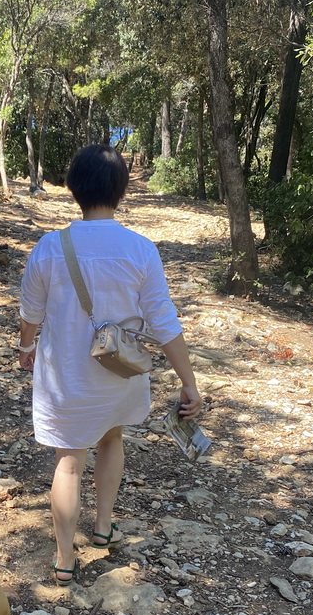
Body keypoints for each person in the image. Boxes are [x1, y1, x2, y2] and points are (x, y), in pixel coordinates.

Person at [18, 144, 201, 586]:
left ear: (74, 188)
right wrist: (189, 382)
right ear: (121, 190)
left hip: (67, 374)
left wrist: (26, 347)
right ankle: (102, 528)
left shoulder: (49, 246)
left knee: (68, 460)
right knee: (112, 437)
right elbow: (163, 321)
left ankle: (64, 559)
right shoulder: (140, 249)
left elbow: (31, 311)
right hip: (120, 372)